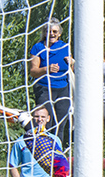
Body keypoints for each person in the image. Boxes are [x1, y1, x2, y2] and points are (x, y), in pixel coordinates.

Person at [28, 17, 73, 147]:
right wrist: (46, 69)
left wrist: (72, 62)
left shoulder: (65, 46)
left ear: (59, 33)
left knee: (61, 122)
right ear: (44, 33)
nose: (52, 34)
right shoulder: (38, 47)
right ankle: (42, 148)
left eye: (54, 31)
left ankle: (57, 150)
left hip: (63, 88)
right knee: (46, 121)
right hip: (44, 88)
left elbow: (74, 68)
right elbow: (33, 71)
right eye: (49, 31)